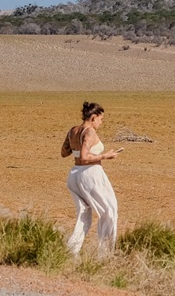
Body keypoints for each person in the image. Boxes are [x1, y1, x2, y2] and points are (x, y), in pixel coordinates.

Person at [59, 101, 122, 256]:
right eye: (101, 119)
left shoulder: (72, 131)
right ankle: (106, 253)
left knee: (84, 215)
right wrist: (105, 156)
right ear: (93, 117)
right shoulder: (89, 132)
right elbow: (84, 156)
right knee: (110, 210)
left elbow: (64, 152)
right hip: (90, 175)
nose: (101, 122)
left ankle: (70, 252)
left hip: (74, 175)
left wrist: (77, 149)